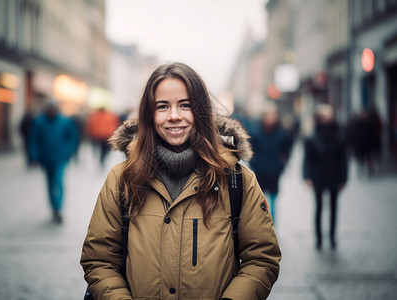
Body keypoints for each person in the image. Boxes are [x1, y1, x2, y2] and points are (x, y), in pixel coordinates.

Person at [81, 63, 281, 299]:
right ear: (149, 114)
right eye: (163, 106)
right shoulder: (122, 179)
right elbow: (99, 260)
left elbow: (262, 259)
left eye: (185, 105)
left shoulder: (237, 180)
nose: (174, 116)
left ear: (201, 111)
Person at [303, 104, 348, 250]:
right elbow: (307, 159)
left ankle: (333, 237)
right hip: (318, 176)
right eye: (324, 116)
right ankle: (319, 238)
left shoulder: (339, 137)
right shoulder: (312, 138)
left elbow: (343, 160)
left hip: (334, 176)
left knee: (334, 207)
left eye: (329, 115)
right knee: (319, 207)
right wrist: (307, 176)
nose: (327, 118)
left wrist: (343, 178)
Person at [29, 100, 78, 223]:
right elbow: (33, 139)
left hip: (60, 158)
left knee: (58, 182)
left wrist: (68, 151)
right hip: (45, 159)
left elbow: (72, 137)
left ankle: (58, 208)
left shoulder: (65, 122)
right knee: (50, 183)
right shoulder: (39, 122)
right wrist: (34, 155)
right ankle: (54, 208)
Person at [249, 102, 291, 223]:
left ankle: (272, 227)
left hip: (274, 171)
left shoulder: (282, 133)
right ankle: (260, 225)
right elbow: (251, 151)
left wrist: (281, 165)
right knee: (259, 200)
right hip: (260, 171)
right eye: (268, 115)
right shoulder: (256, 132)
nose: (270, 118)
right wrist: (255, 164)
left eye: (272, 115)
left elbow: (286, 151)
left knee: (273, 201)